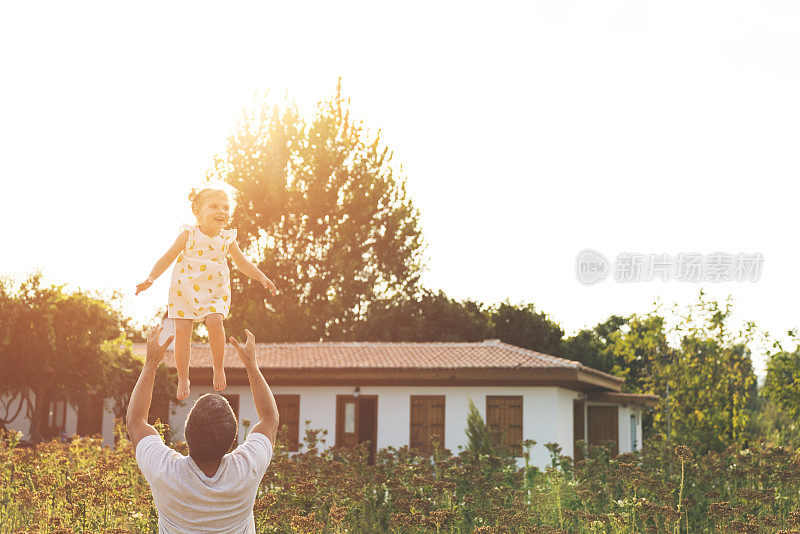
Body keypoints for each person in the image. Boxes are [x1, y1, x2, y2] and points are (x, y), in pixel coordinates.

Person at [127, 325, 279, 533]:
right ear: (232, 440)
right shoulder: (245, 470)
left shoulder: (166, 473)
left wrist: (151, 363)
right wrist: (251, 364)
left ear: (187, 434)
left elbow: (135, 421)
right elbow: (270, 418)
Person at [135, 186, 279, 399]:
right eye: (214, 207)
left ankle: (218, 367)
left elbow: (242, 263)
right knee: (182, 330)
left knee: (214, 320)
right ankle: (183, 377)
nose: (221, 211)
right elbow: (168, 257)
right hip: (185, 286)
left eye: (226, 208)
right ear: (197, 211)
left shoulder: (227, 238)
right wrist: (151, 278)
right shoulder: (188, 234)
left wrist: (261, 277)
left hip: (215, 289)